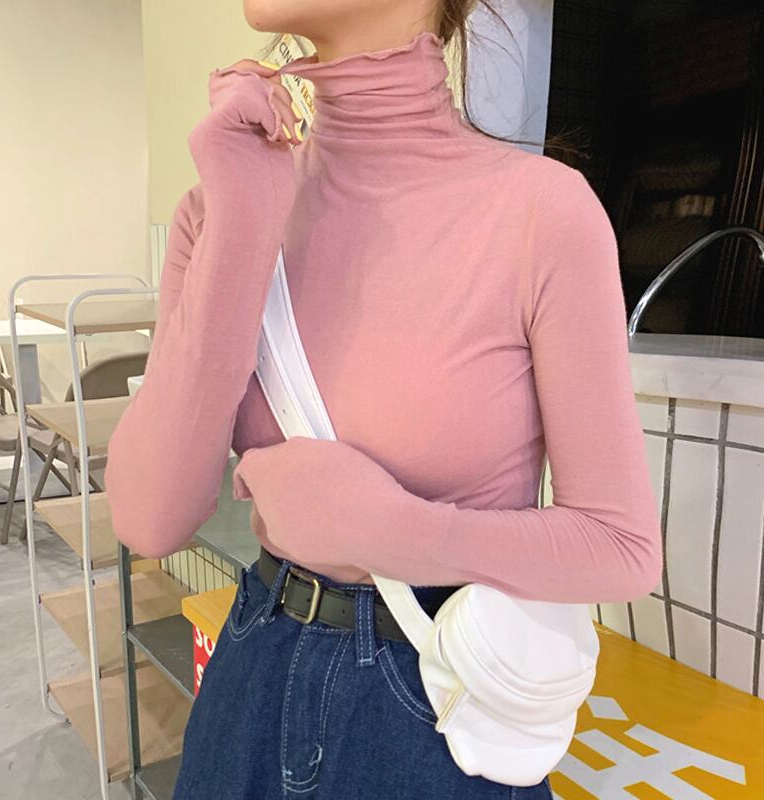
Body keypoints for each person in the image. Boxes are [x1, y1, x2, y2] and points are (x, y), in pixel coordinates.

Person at [104, 1, 663, 797]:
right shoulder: (220, 205)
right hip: (251, 676)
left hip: (435, 698)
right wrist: (240, 222)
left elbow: (621, 547)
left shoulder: (543, 211)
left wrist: (393, 531)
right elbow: (149, 517)